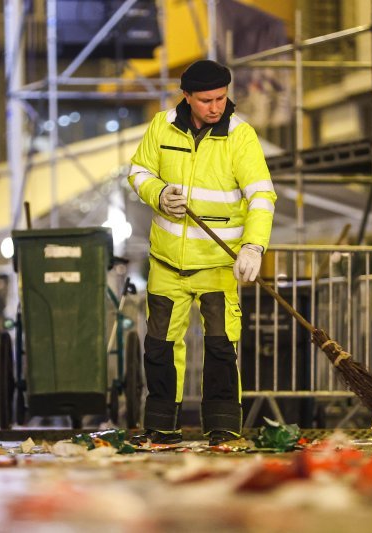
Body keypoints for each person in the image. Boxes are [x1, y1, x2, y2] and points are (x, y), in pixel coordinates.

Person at [127, 59, 276, 446]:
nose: (215, 106)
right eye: (206, 100)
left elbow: (261, 195)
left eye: (221, 98)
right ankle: (161, 428)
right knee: (159, 348)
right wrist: (158, 194)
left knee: (221, 348)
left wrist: (254, 247)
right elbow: (139, 172)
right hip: (166, 263)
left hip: (216, 265)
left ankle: (223, 428)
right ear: (187, 97)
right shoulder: (161, 126)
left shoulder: (240, 137)